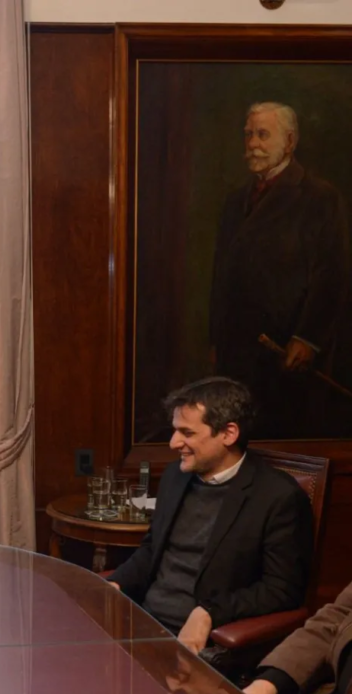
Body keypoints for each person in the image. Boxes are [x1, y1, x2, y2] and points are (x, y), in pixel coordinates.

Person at [109, 377, 312, 661]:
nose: (173, 443)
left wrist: (209, 612)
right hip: (142, 623)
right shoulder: (175, 476)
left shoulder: (278, 496)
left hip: (204, 645)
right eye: (175, 430)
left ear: (228, 433)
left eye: (187, 433)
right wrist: (114, 584)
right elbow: (152, 549)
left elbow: (281, 590)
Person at [209, 101, 351, 439]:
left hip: (286, 354)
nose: (252, 144)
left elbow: (331, 276)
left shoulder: (320, 198)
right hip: (237, 353)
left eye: (262, 135)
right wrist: (216, 340)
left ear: (289, 142)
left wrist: (307, 338)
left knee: (286, 438)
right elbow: (221, 277)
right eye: (248, 134)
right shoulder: (235, 201)